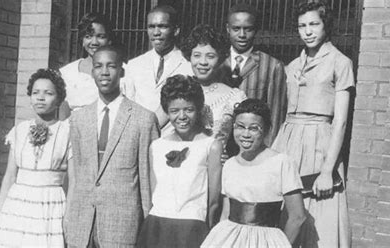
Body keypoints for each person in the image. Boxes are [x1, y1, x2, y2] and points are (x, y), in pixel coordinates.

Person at [272, 1, 353, 247]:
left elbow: (340, 121)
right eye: (301, 26)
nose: (307, 31)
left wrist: (328, 171)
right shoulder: (292, 65)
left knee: (319, 215)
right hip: (287, 140)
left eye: (314, 24)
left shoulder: (340, 62)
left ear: (326, 26)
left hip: (320, 143)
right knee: (284, 209)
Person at [64, 45, 160, 248]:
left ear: (122, 71)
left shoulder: (144, 119)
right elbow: (78, 173)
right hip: (83, 224)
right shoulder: (79, 119)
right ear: (92, 73)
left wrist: (147, 221)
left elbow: (148, 177)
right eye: (98, 66)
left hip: (122, 224)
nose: (104, 72)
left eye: (111, 66)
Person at [201, 99, 306, 248]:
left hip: (265, 241)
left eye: (254, 128)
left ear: (267, 130)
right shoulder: (230, 164)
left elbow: (298, 217)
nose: (245, 134)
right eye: (240, 127)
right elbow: (226, 213)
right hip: (228, 239)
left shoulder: (282, 162)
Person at [0, 69, 71, 247]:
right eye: (35, 93)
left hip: (49, 205)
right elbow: (9, 176)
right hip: (17, 205)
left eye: (48, 93)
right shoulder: (19, 130)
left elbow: (74, 181)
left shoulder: (67, 132)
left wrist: (68, 217)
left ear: (59, 100)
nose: (40, 98)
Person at [137, 75, 222, 248]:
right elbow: (153, 189)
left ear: (198, 109)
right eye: (175, 111)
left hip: (192, 227)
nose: (182, 116)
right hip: (157, 225)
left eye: (189, 109)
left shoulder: (211, 145)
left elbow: (214, 200)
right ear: (167, 112)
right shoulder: (157, 145)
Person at [218, 3, 287, 146]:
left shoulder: (272, 66)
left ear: (255, 30)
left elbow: (275, 117)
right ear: (227, 29)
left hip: (252, 148)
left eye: (248, 29)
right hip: (217, 146)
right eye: (236, 29)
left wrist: (264, 156)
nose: (242, 35)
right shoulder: (216, 61)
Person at [122, 5, 193, 133]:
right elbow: (128, 105)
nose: (156, 32)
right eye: (151, 26)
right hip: (139, 136)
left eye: (162, 26)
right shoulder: (134, 65)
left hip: (174, 140)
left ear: (176, 30)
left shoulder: (188, 66)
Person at [180, 24, 246, 145]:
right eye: (197, 55)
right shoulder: (179, 90)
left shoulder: (234, 97)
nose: (203, 62)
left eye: (210, 56)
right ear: (189, 57)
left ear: (220, 59)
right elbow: (153, 122)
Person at [59, 13, 114, 118]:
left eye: (100, 37)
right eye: (88, 36)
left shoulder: (123, 71)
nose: (94, 42)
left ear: (109, 40)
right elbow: (63, 116)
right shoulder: (68, 73)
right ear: (82, 41)